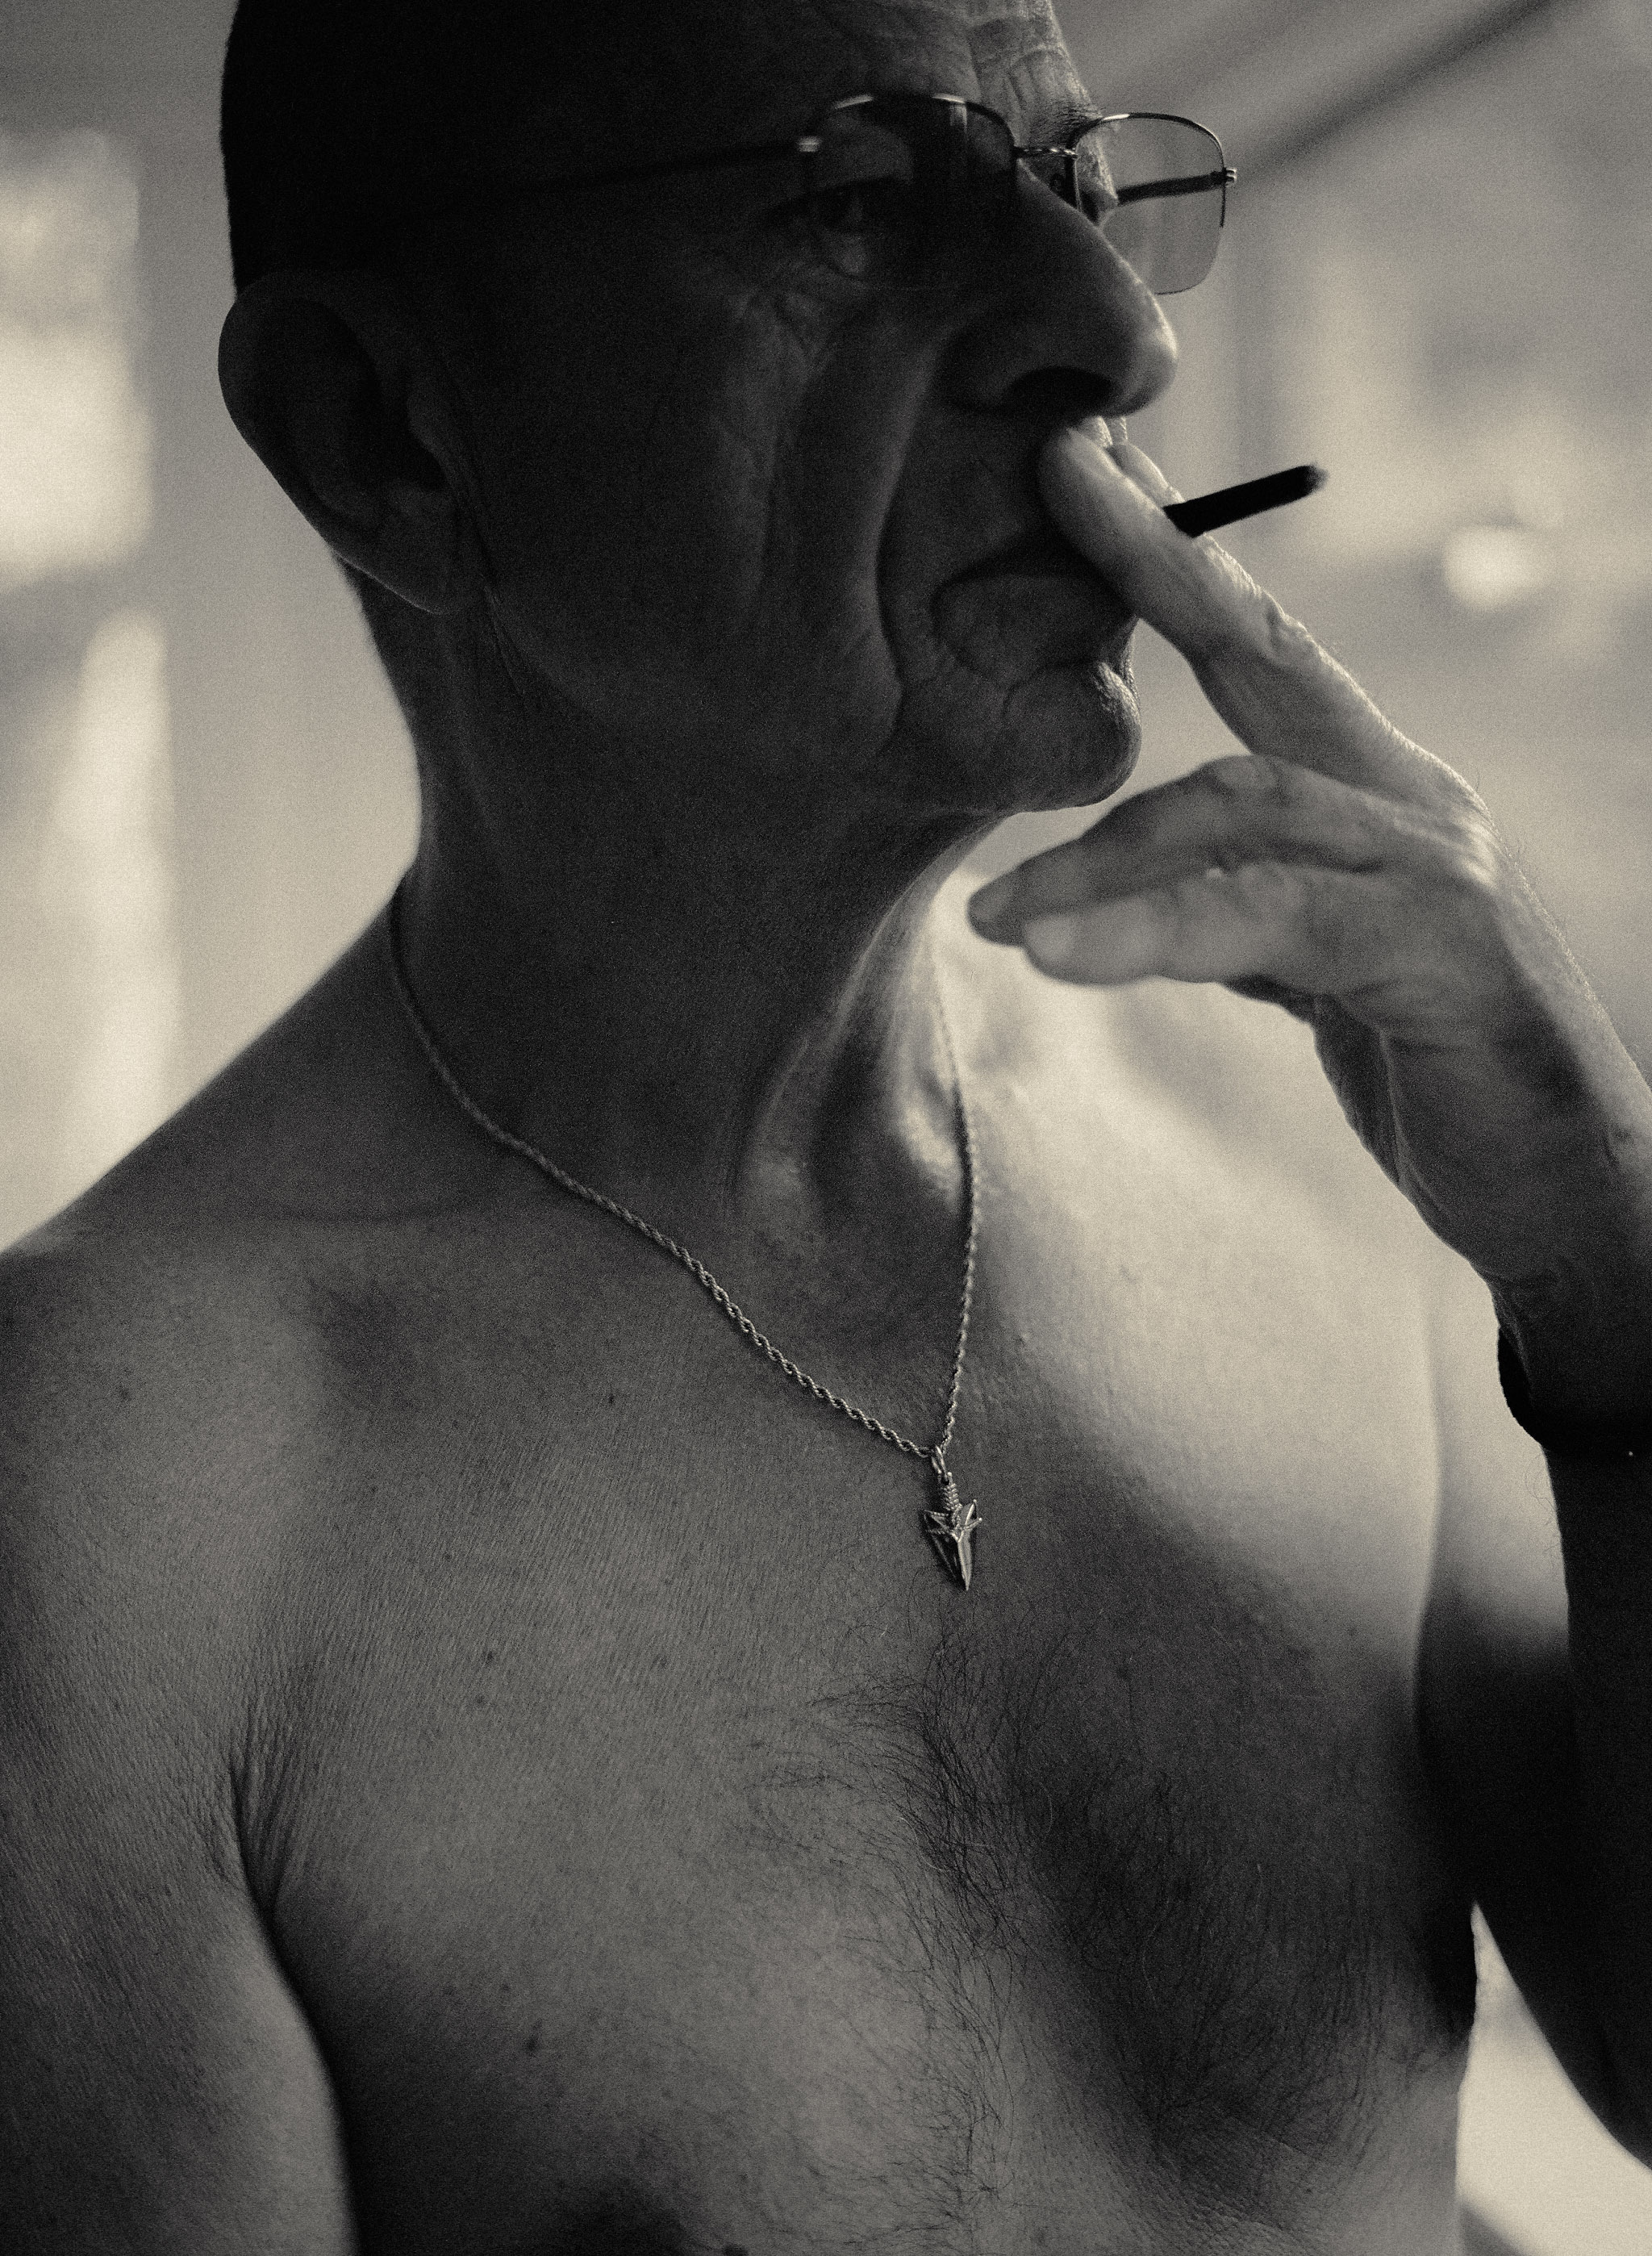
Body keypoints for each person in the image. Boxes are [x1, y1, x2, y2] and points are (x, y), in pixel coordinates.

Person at [4, 0, 1650, 2246]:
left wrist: (1609, 1255)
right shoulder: (111, 1508)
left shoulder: (1334, 1143)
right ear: (381, 431)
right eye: (860, 200)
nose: (1120, 336)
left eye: (1081, 184)